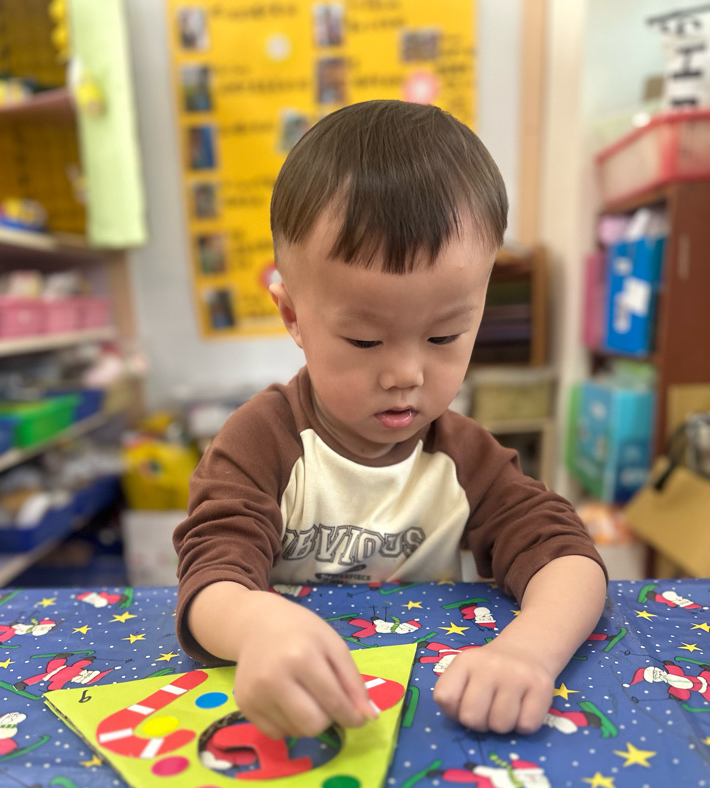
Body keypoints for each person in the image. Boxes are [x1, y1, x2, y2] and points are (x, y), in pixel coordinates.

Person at [173, 99, 607, 741]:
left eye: (445, 336)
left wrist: (528, 652)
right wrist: (255, 624)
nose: (406, 374)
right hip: (291, 712)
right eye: (365, 341)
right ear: (293, 316)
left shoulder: (465, 458)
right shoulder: (261, 442)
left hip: (433, 715)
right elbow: (210, 579)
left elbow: (568, 557)